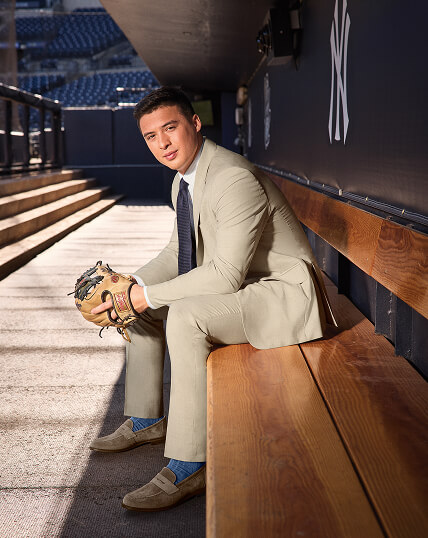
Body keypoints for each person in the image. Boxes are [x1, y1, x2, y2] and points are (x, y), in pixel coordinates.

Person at [90, 86, 334, 512]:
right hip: (244, 287)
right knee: (138, 309)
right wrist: (128, 287)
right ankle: (147, 420)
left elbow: (224, 275)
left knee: (184, 315)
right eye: (151, 136)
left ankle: (190, 464)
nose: (163, 143)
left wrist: (144, 296)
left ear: (195, 123)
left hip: (283, 293)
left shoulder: (232, 178)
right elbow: (176, 253)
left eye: (170, 128)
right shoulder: (182, 180)